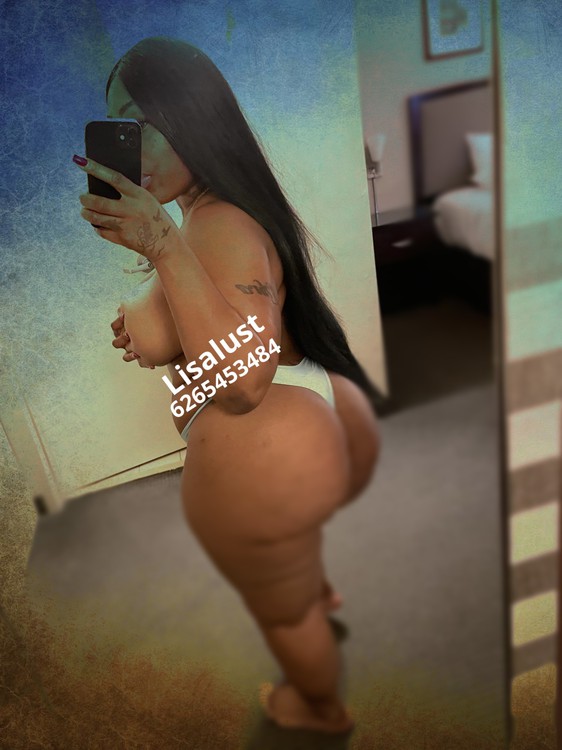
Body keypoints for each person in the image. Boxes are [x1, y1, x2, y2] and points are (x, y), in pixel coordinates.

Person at [74, 36, 381, 734]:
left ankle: (318, 706)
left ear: (196, 118)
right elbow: (204, 326)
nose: (132, 147)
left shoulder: (219, 225)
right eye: (122, 127)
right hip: (283, 445)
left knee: (282, 612)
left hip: (266, 443)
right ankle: (308, 588)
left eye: (144, 124)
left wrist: (160, 246)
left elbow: (241, 384)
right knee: (287, 573)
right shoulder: (209, 217)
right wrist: (150, 312)